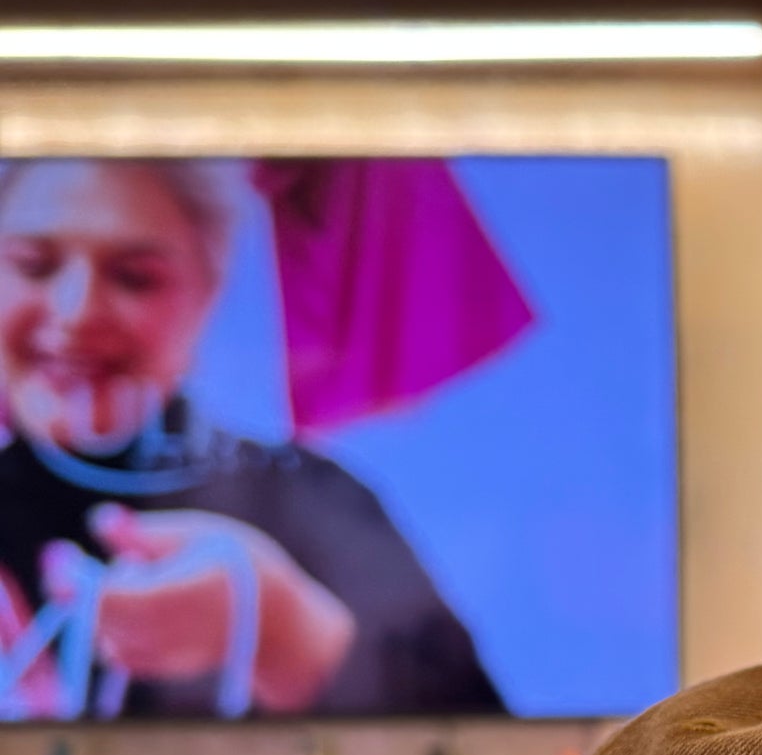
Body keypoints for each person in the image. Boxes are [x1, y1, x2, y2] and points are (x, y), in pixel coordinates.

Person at [0, 159, 503, 717]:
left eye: (134, 277)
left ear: (207, 294)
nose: (76, 312)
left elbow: (488, 748)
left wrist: (286, 632)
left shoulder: (310, 498)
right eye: (34, 266)